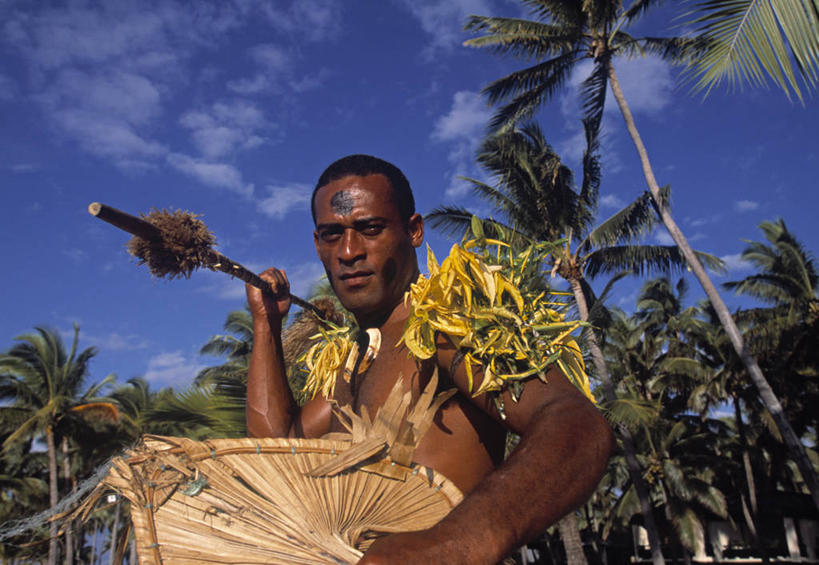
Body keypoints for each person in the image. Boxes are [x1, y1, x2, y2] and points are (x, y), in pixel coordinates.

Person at [245, 154, 613, 565]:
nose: (348, 251)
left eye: (370, 229)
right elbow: (277, 451)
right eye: (333, 235)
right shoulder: (348, 363)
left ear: (414, 231)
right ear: (317, 244)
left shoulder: (446, 324)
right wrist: (266, 326)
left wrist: (457, 543)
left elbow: (575, 423)